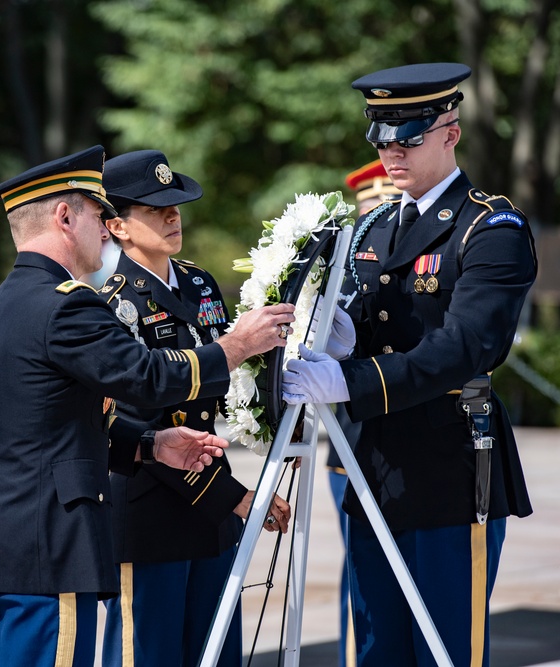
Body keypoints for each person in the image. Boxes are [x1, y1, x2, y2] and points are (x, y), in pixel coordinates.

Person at [0, 145, 296, 667]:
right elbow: (148, 379)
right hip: (47, 547)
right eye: (98, 214)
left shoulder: (5, 303)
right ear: (65, 217)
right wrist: (237, 345)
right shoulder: (65, 304)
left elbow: (57, 421)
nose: (106, 229)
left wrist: (151, 444)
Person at [282, 63, 537, 666]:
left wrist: (350, 378)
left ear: (450, 130)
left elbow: (466, 346)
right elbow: (376, 328)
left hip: (452, 463)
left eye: (409, 137)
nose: (391, 152)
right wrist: (340, 340)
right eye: (381, 137)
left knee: (446, 646)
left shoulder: (490, 227)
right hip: (376, 461)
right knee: (375, 647)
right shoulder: (372, 224)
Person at [96, 149, 292, 667]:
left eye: (175, 205)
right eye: (154, 209)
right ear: (116, 225)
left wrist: (278, 428)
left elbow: (229, 381)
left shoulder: (200, 283)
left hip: (210, 512)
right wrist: (233, 496)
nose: (172, 215)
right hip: (151, 511)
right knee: (148, 654)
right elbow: (139, 424)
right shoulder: (114, 303)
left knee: (215, 653)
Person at [327, 158, 403, 667]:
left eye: (385, 202)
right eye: (368, 206)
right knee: (361, 562)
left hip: (407, 430)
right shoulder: (346, 266)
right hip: (350, 436)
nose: (376, 212)